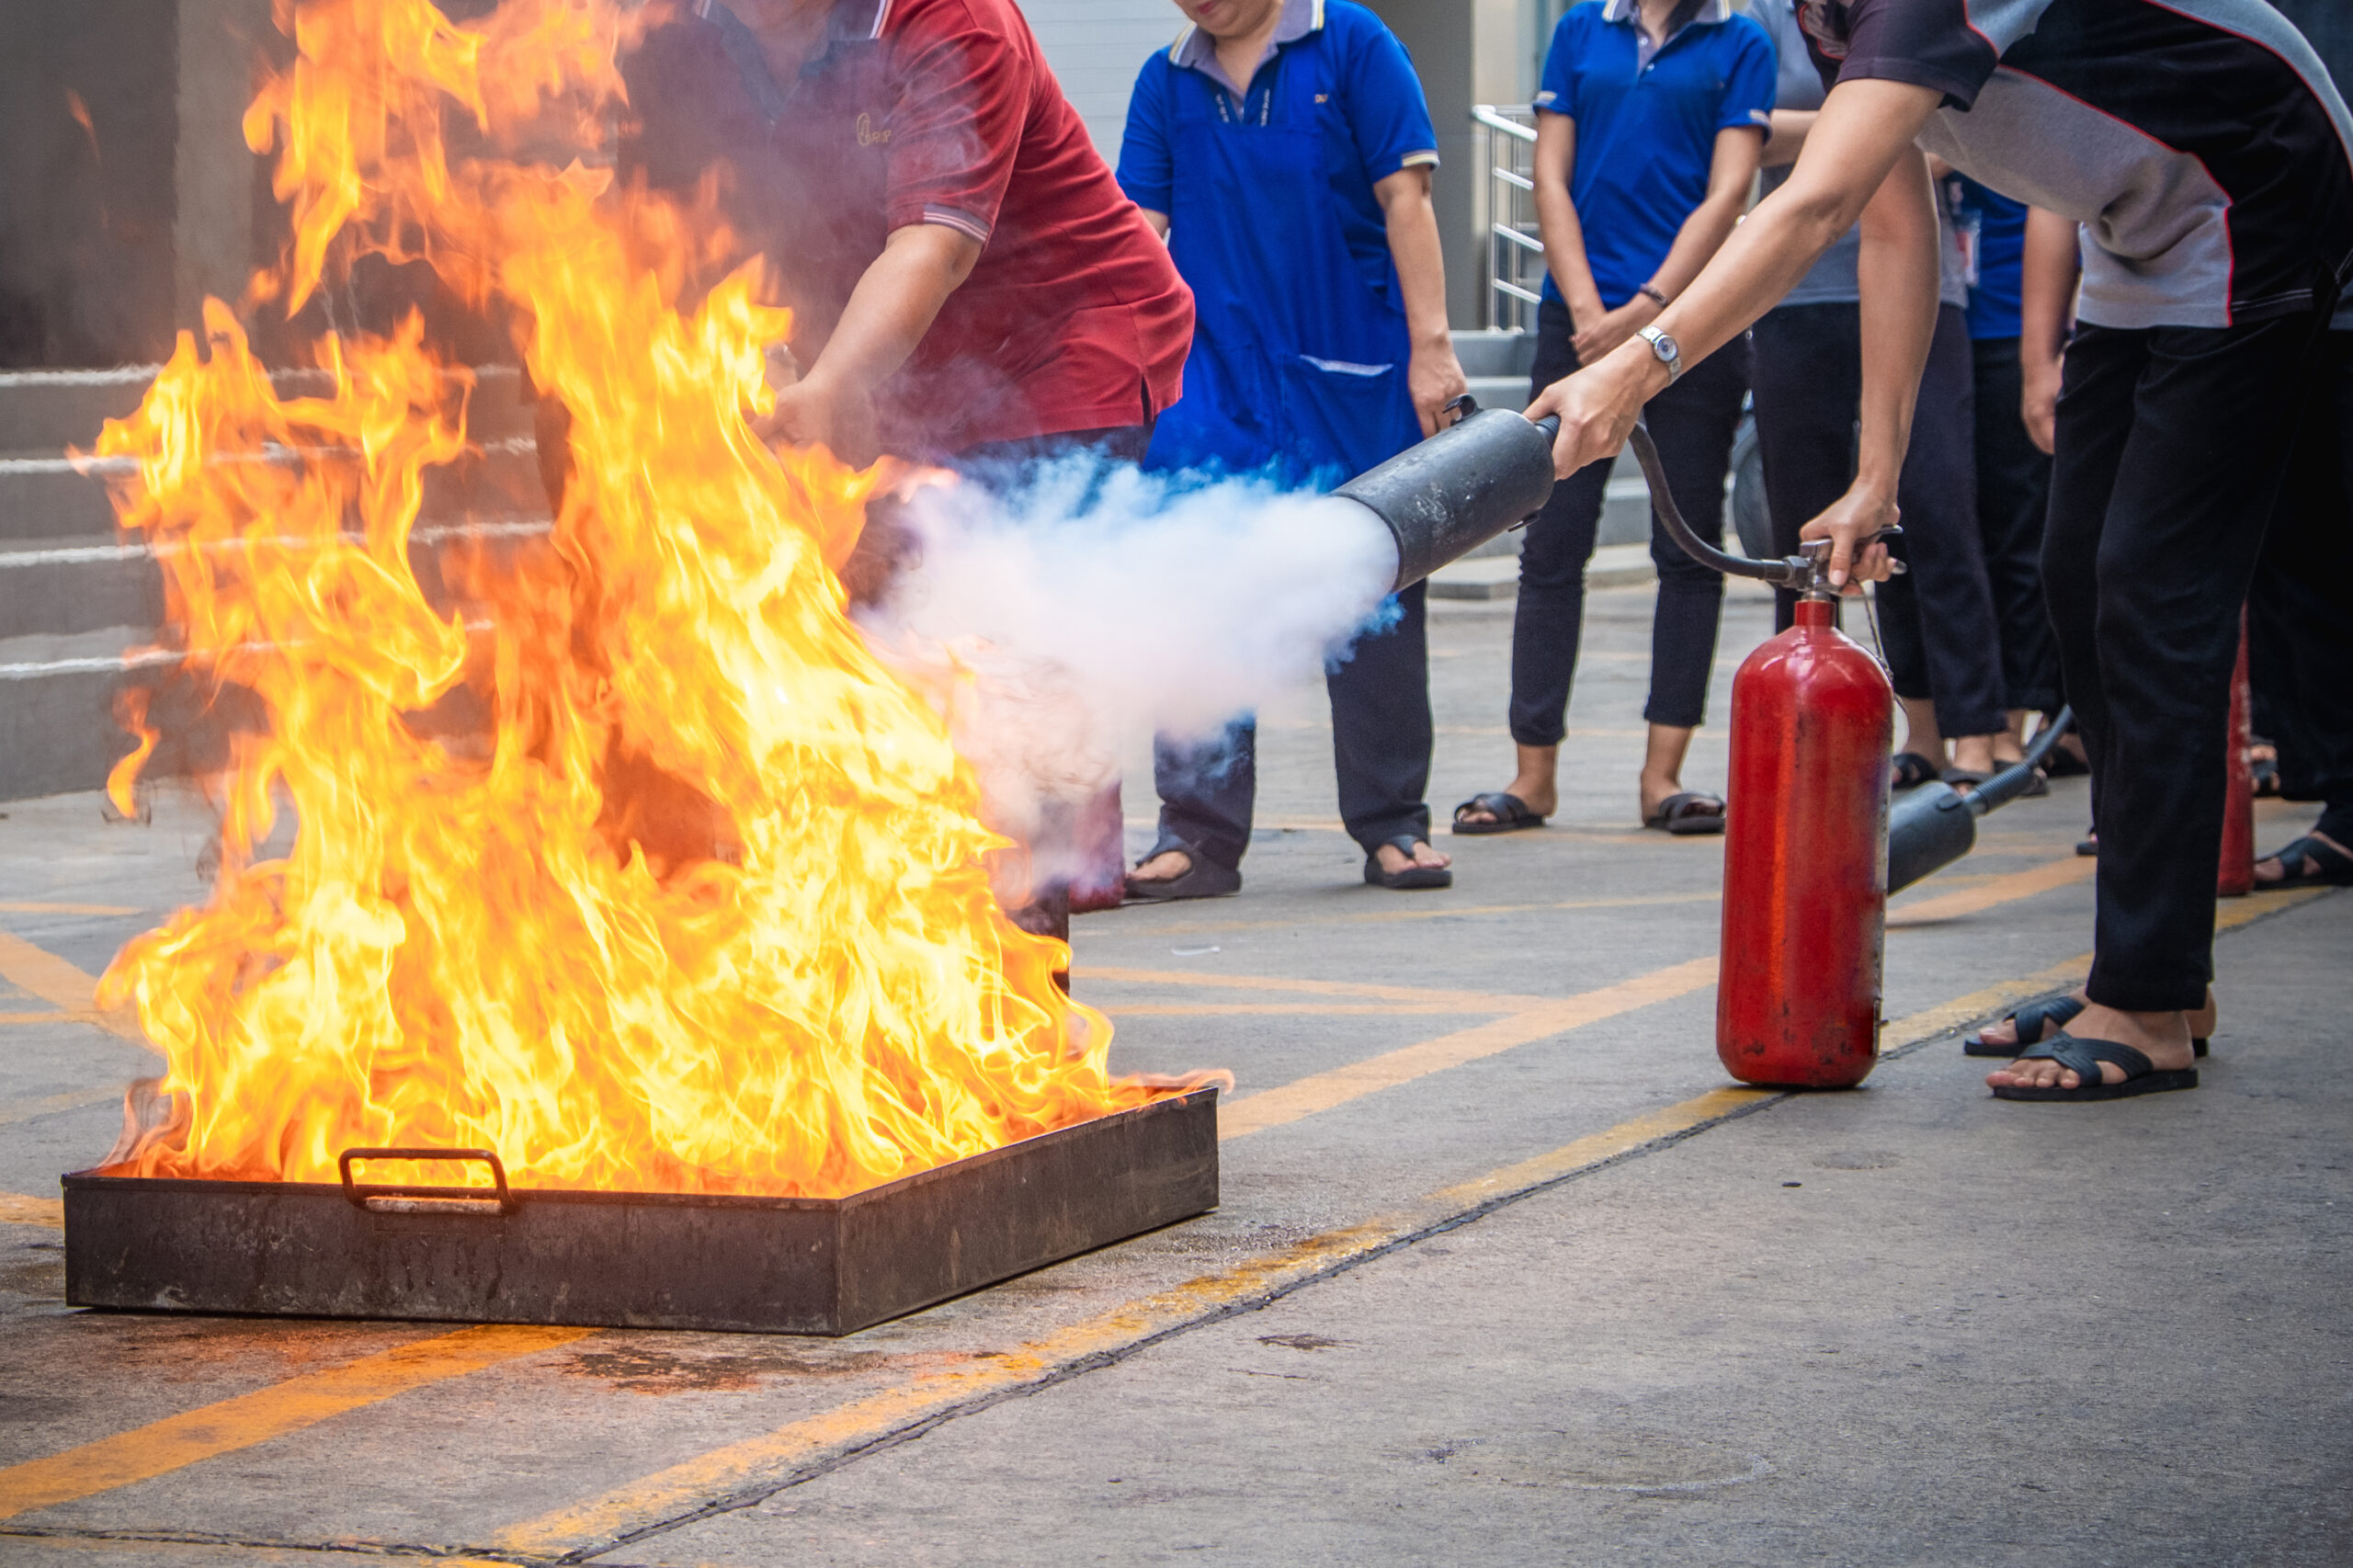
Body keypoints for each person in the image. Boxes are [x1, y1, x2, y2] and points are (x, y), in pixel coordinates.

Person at [1528, 0, 2353, 1102]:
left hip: (2257, 192)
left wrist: (1635, 365)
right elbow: (1887, 223)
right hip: (2138, 221)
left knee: (2150, 597)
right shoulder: (1824, 16)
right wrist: (1878, 472)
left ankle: (2147, 997)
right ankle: (2160, 970)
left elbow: (1813, 204)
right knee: (2076, 582)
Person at [569, 0, 1197, 919]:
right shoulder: (689, 27)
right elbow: (664, 227)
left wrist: (828, 389)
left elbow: (932, 247)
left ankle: (1014, 1005)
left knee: (988, 670)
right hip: (893, 368)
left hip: (1056, 353)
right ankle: (888, 975)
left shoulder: (952, 21)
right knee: (861, 655)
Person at [1115, 0, 1468, 899]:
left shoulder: (1351, 45)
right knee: (1201, 597)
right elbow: (1137, 236)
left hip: (1348, 370)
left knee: (1372, 601)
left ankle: (1391, 824)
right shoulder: (1165, 81)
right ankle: (1196, 833)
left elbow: (1407, 199)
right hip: (1215, 383)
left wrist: (1432, 350)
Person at [1453, 0, 1774, 839]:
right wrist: (1591, 309)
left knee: (1689, 545)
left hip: (1692, 321)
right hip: (1576, 316)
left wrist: (1648, 310)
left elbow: (1728, 192)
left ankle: (1662, 777)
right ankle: (1534, 777)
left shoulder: (1741, 40)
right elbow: (1548, 176)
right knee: (1553, 544)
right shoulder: (1578, 31)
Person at [1745, 0, 2008, 795]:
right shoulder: (1758, 21)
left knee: (1934, 504)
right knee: (1814, 534)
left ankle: (1973, 729)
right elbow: (1738, 135)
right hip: (1795, 297)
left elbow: (1937, 152)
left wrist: (1837, 132)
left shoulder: (1904, 12)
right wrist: (1868, 118)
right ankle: (1850, 731)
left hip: (1920, 293)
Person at [1948, 172, 2064, 775]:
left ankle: (2016, 719)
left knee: (2017, 532)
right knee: (1954, 536)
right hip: (1943, 326)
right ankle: (1969, 718)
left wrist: (2040, 358)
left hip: (2013, 327)